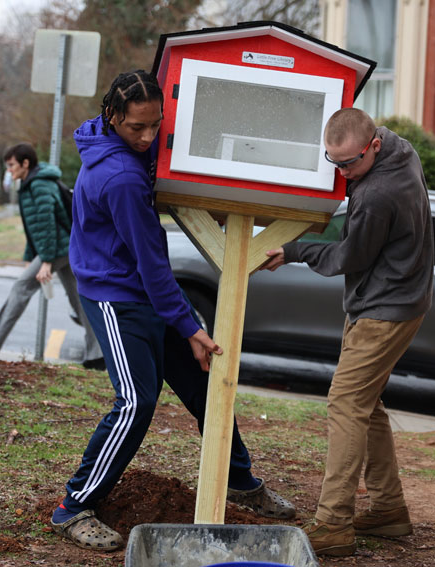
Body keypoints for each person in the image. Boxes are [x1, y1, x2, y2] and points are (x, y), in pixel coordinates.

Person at [49, 70, 295, 551]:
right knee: (136, 402)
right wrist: (188, 325)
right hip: (117, 296)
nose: (146, 137)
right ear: (112, 117)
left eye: (154, 126)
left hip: (143, 287)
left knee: (206, 386)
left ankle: (239, 481)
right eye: (136, 128)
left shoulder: (115, 143)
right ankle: (73, 506)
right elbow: (152, 263)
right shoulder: (119, 176)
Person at [263, 108, 434, 557]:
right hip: (399, 298)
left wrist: (295, 250)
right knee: (366, 403)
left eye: (350, 164)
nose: (342, 174)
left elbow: (349, 256)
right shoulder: (401, 149)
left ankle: (334, 523)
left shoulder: (378, 192)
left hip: (385, 308)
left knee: (345, 401)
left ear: (373, 145)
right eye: (333, 163)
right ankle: (388, 509)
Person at [0, 143, 102, 369]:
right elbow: (35, 229)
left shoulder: (39, 185)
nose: (9, 170)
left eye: (12, 165)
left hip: (59, 247)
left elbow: (47, 224)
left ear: (25, 163)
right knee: (80, 300)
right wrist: (30, 256)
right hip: (67, 246)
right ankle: (97, 356)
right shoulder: (33, 182)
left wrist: (47, 261)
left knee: (21, 288)